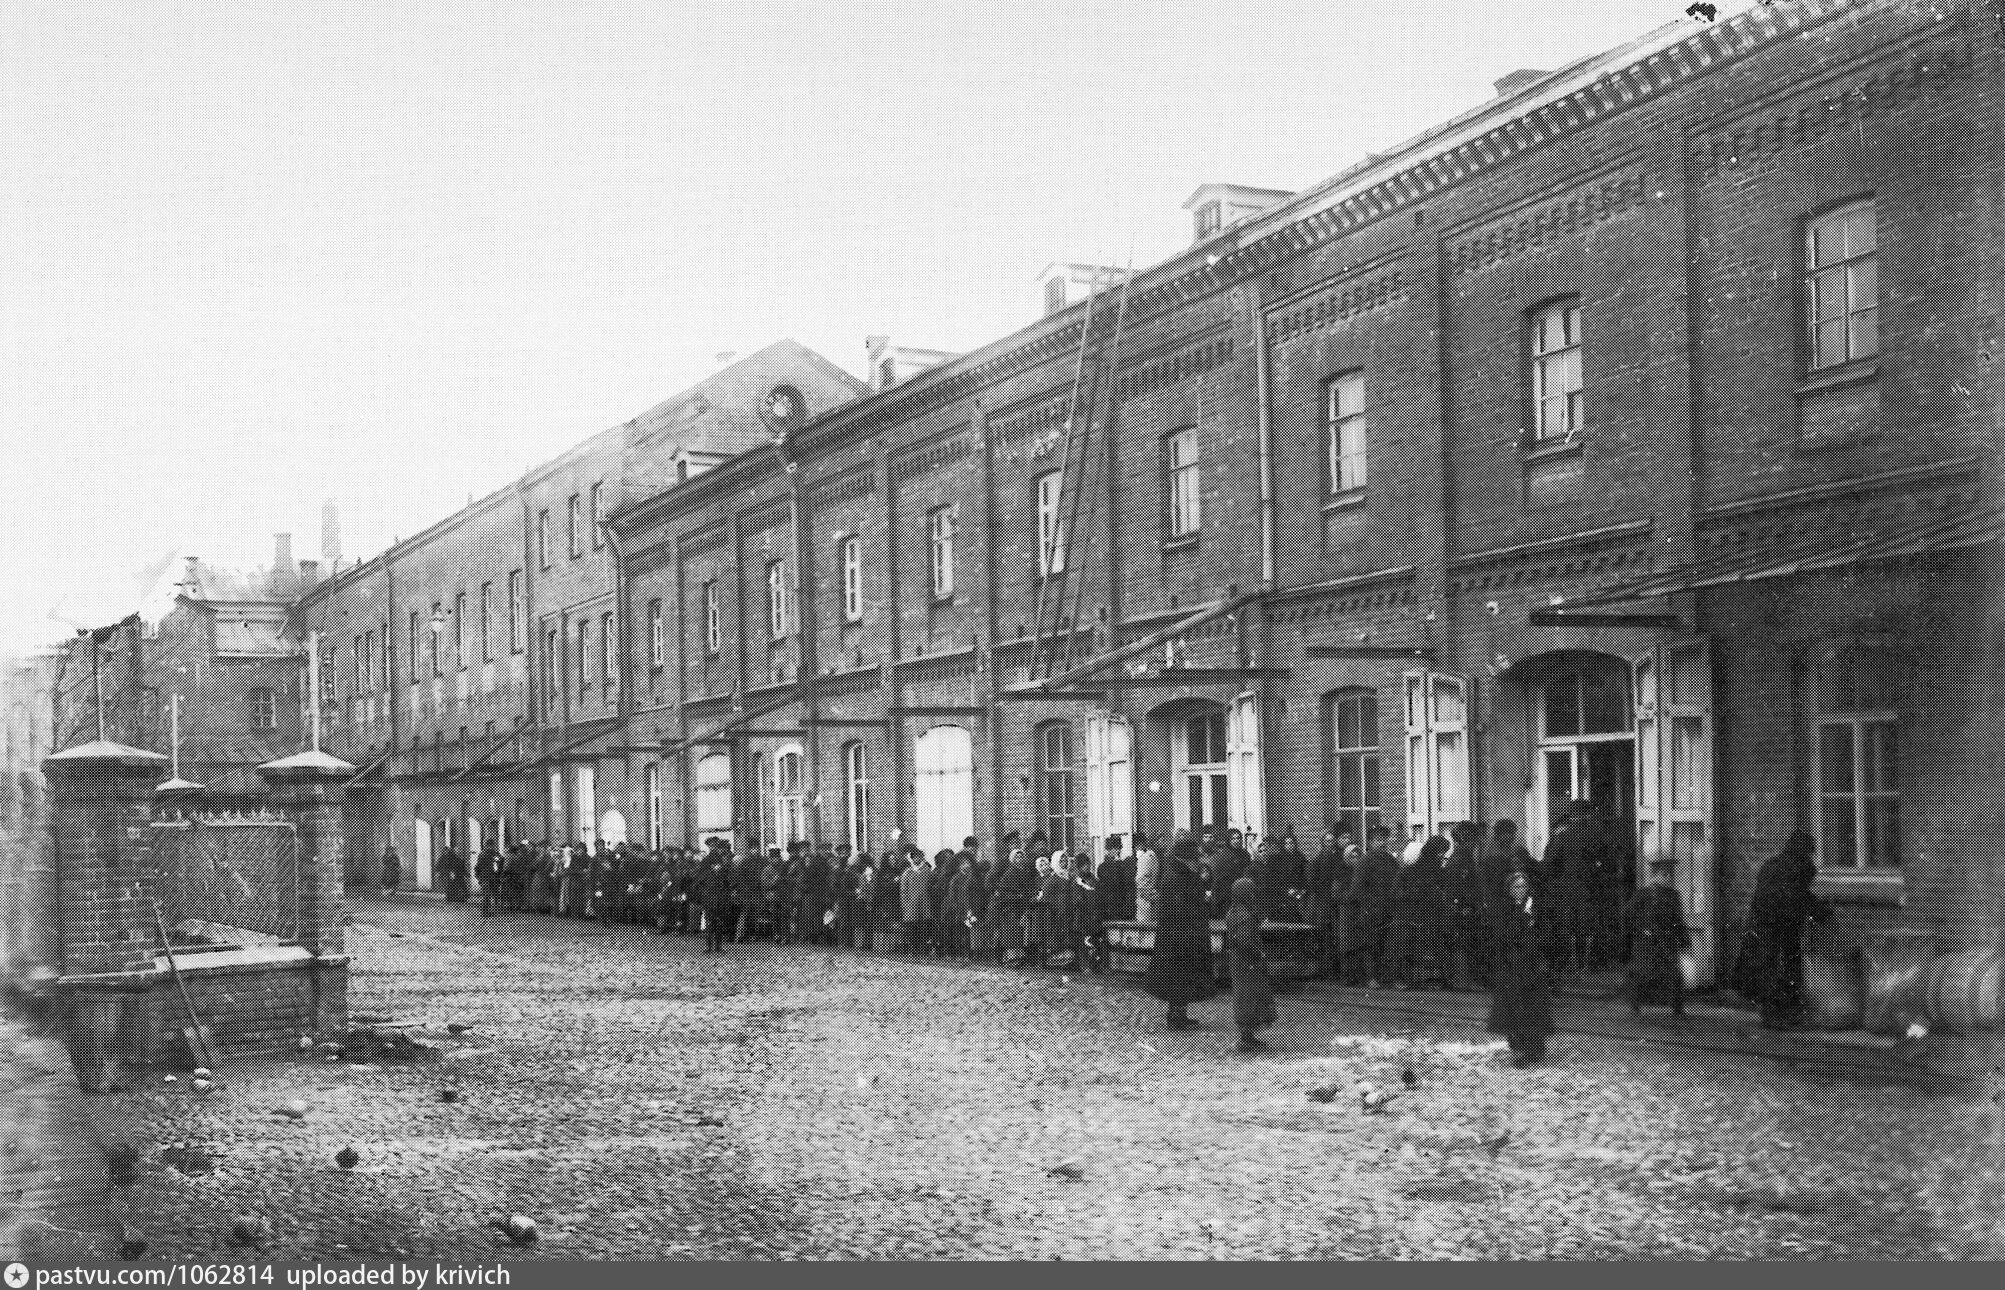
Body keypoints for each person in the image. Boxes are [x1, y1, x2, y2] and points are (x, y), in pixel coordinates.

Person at [1730, 831, 1831, 1030]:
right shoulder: (1801, 867)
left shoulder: (1771, 864)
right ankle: (1785, 1014)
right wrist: (1820, 911)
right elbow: (1798, 896)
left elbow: (1787, 894)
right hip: (1783, 925)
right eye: (1810, 851)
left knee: (1767, 969)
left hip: (1761, 923)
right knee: (1788, 968)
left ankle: (1771, 1013)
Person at [1143, 831, 1219, 1030]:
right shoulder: (1175, 877)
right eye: (1194, 859)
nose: (1197, 862)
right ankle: (1176, 1017)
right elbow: (1178, 909)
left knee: (1183, 977)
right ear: (1186, 858)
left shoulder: (1182, 874)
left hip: (1184, 935)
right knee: (1178, 977)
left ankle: (1180, 1014)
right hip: (1179, 937)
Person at [1487, 868, 1554, 1067]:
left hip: (1531, 965)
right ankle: (1519, 1041)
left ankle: (1534, 1048)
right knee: (1513, 1006)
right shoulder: (1505, 908)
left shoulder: (1535, 907)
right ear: (1509, 889)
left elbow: (1545, 933)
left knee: (1532, 1007)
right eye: (1516, 887)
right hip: (1511, 964)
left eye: (1524, 886)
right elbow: (1503, 934)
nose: (1521, 890)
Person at [1535, 807, 1598, 975]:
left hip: (1565, 890)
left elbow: (1548, 865)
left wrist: (1534, 867)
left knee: (1565, 927)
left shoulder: (1562, 837)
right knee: (1582, 928)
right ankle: (1582, 965)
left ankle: (1566, 967)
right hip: (1586, 889)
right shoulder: (1593, 835)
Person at [1624, 857, 1690, 1016]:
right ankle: (1635, 1005)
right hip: (1647, 943)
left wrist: (1684, 942)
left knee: (1674, 973)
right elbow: (1627, 914)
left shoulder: (1673, 895)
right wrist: (1641, 930)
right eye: (1664, 874)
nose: (1668, 878)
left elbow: (1678, 920)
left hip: (1667, 941)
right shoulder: (1642, 894)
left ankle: (1678, 1007)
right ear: (1654, 876)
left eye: (1670, 875)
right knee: (1642, 973)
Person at [1385, 834, 1450, 990]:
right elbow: (1395, 894)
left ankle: (1429, 979)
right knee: (1405, 947)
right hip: (1409, 914)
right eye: (1439, 851)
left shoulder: (1439, 871)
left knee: (1428, 946)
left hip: (1430, 914)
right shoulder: (1409, 871)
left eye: (1444, 851)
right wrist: (1413, 894)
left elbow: (1442, 890)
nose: (1442, 855)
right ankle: (1405, 978)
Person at [1225, 876, 1277, 1053]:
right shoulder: (1245, 916)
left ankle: (1247, 1035)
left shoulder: (1233, 912)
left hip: (1238, 962)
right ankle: (1247, 1038)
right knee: (1251, 997)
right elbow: (1245, 941)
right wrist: (1259, 953)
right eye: (1252, 892)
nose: (1254, 895)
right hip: (1248, 963)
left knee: (1243, 997)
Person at [1344, 827, 1400, 987]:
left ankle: (1387, 977)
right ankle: (1371, 977)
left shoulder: (1391, 860)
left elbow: (1398, 882)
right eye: (1378, 840)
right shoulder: (1365, 861)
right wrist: (1362, 905)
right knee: (1371, 944)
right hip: (1371, 910)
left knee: (1388, 943)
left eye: (1384, 839)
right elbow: (1356, 888)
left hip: (1388, 908)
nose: (1383, 843)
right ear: (1370, 842)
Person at [1443, 822, 1488, 990]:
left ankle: (1466, 980)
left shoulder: (1464, 858)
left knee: (1468, 942)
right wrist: (1463, 906)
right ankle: (1464, 980)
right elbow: (1455, 888)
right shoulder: (1460, 860)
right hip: (1463, 909)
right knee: (1464, 942)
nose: (1475, 844)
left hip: (1468, 908)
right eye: (1472, 840)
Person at [1304, 829, 1345, 979]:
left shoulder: (1337, 858)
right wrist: (1322, 892)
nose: (1330, 843)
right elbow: (1311, 881)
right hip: (1322, 903)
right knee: (1324, 935)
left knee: (1335, 935)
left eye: (1332, 841)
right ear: (1323, 843)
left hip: (1334, 901)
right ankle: (1325, 970)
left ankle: (1334, 968)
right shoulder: (1317, 860)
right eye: (1327, 841)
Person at [991, 847, 1036, 965]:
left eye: (1021, 857)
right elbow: (1003, 890)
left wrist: (1028, 895)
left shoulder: (1025, 872)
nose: (1019, 859)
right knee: (1012, 930)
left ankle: (1020, 955)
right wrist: (1016, 896)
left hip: (1023, 904)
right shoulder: (1009, 873)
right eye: (1017, 857)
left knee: (1022, 930)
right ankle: (1011, 956)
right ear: (1012, 859)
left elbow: (1030, 887)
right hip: (1010, 906)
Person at [698, 844, 733, 953]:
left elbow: (729, 886)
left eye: (718, 864)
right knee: (709, 924)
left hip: (721, 902)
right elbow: (699, 886)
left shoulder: (724, 875)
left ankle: (718, 946)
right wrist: (704, 897)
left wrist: (726, 898)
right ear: (711, 865)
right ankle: (709, 947)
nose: (717, 867)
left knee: (719, 924)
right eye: (714, 865)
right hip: (709, 902)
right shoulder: (706, 875)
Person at [901, 848, 936, 955]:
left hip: (925, 905)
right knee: (912, 929)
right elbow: (903, 890)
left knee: (924, 928)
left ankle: (923, 948)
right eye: (915, 857)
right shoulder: (907, 873)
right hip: (911, 906)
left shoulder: (927, 871)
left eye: (919, 857)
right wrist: (905, 905)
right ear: (912, 859)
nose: (917, 859)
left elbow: (931, 887)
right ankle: (913, 949)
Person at [1133, 833, 1160, 925]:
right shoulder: (1148, 857)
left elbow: (1142, 882)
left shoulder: (1147, 857)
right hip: (1146, 905)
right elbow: (1142, 882)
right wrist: (1157, 898)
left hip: (1146, 904)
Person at [474, 844, 501, 917]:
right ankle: (487, 911)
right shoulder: (494, 854)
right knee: (490, 894)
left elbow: (478, 866)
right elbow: (500, 862)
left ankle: (486, 911)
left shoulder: (482, 854)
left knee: (488, 894)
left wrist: (478, 876)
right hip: (490, 877)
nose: (491, 847)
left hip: (486, 877)